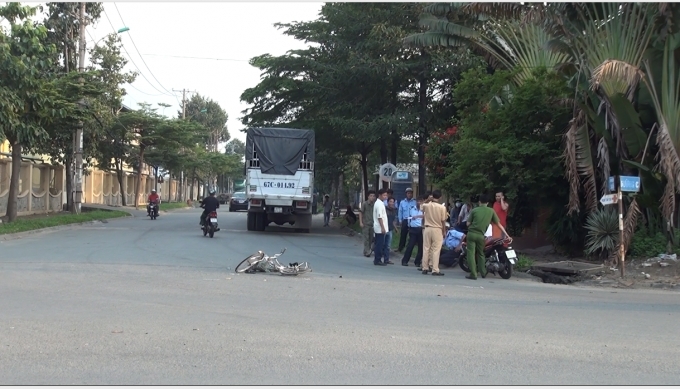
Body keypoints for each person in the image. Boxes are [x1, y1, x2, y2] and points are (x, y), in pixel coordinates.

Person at [465, 193, 511, 280]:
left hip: (471, 234)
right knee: (481, 253)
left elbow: (468, 223)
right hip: (481, 236)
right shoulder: (491, 211)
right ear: (487, 203)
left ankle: (473, 274)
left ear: (479, 202)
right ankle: (483, 272)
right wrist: (507, 235)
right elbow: (499, 224)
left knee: (471, 253)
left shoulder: (475, 210)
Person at [420, 190, 448, 276]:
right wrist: (444, 231)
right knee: (436, 249)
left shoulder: (427, 205)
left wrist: (428, 200)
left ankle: (425, 267)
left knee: (426, 248)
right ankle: (434, 269)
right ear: (440, 197)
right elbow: (443, 221)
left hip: (427, 228)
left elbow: (421, 206)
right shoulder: (442, 208)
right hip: (437, 229)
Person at [402, 194, 424, 267]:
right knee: (410, 246)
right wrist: (409, 227)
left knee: (421, 247)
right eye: (418, 201)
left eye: (421, 201)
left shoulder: (424, 210)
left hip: (421, 229)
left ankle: (417, 261)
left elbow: (425, 217)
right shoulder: (412, 209)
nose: (419, 203)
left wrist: (418, 216)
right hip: (413, 229)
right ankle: (405, 260)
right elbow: (409, 218)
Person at [372, 189, 390, 266]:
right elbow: (379, 217)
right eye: (384, 195)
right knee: (379, 244)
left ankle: (377, 259)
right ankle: (377, 259)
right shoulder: (379, 204)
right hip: (379, 228)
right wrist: (382, 228)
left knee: (379, 243)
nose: (385, 197)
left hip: (380, 227)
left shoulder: (380, 203)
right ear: (380, 195)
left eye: (386, 195)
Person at [397, 188, 416, 253]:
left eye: (411, 193)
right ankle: (400, 248)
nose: (409, 195)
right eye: (408, 193)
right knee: (403, 235)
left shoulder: (415, 202)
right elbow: (400, 211)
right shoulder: (402, 202)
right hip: (405, 220)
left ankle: (408, 248)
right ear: (406, 194)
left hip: (412, 220)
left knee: (411, 235)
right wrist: (400, 220)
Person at [359, 190, 376, 257]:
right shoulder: (365, 204)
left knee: (371, 238)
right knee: (366, 238)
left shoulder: (375, 204)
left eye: (373, 196)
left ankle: (366, 250)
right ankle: (367, 251)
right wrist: (361, 222)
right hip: (366, 224)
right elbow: (361, 212)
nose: (372, 197)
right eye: (371, 196)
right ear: (368, 196)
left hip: (373, 224)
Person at [384, 197, 398, 263]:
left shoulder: (394, 210)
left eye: (393, 202)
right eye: (390, 201)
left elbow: (393, 220)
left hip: (390, 229)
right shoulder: (384, 209)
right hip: (384, 229)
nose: (392, 203)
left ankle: (386, 259)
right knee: (382, 244)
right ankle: (378, 258)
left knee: (388, 245)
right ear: (388, 202)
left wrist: (395, 228)